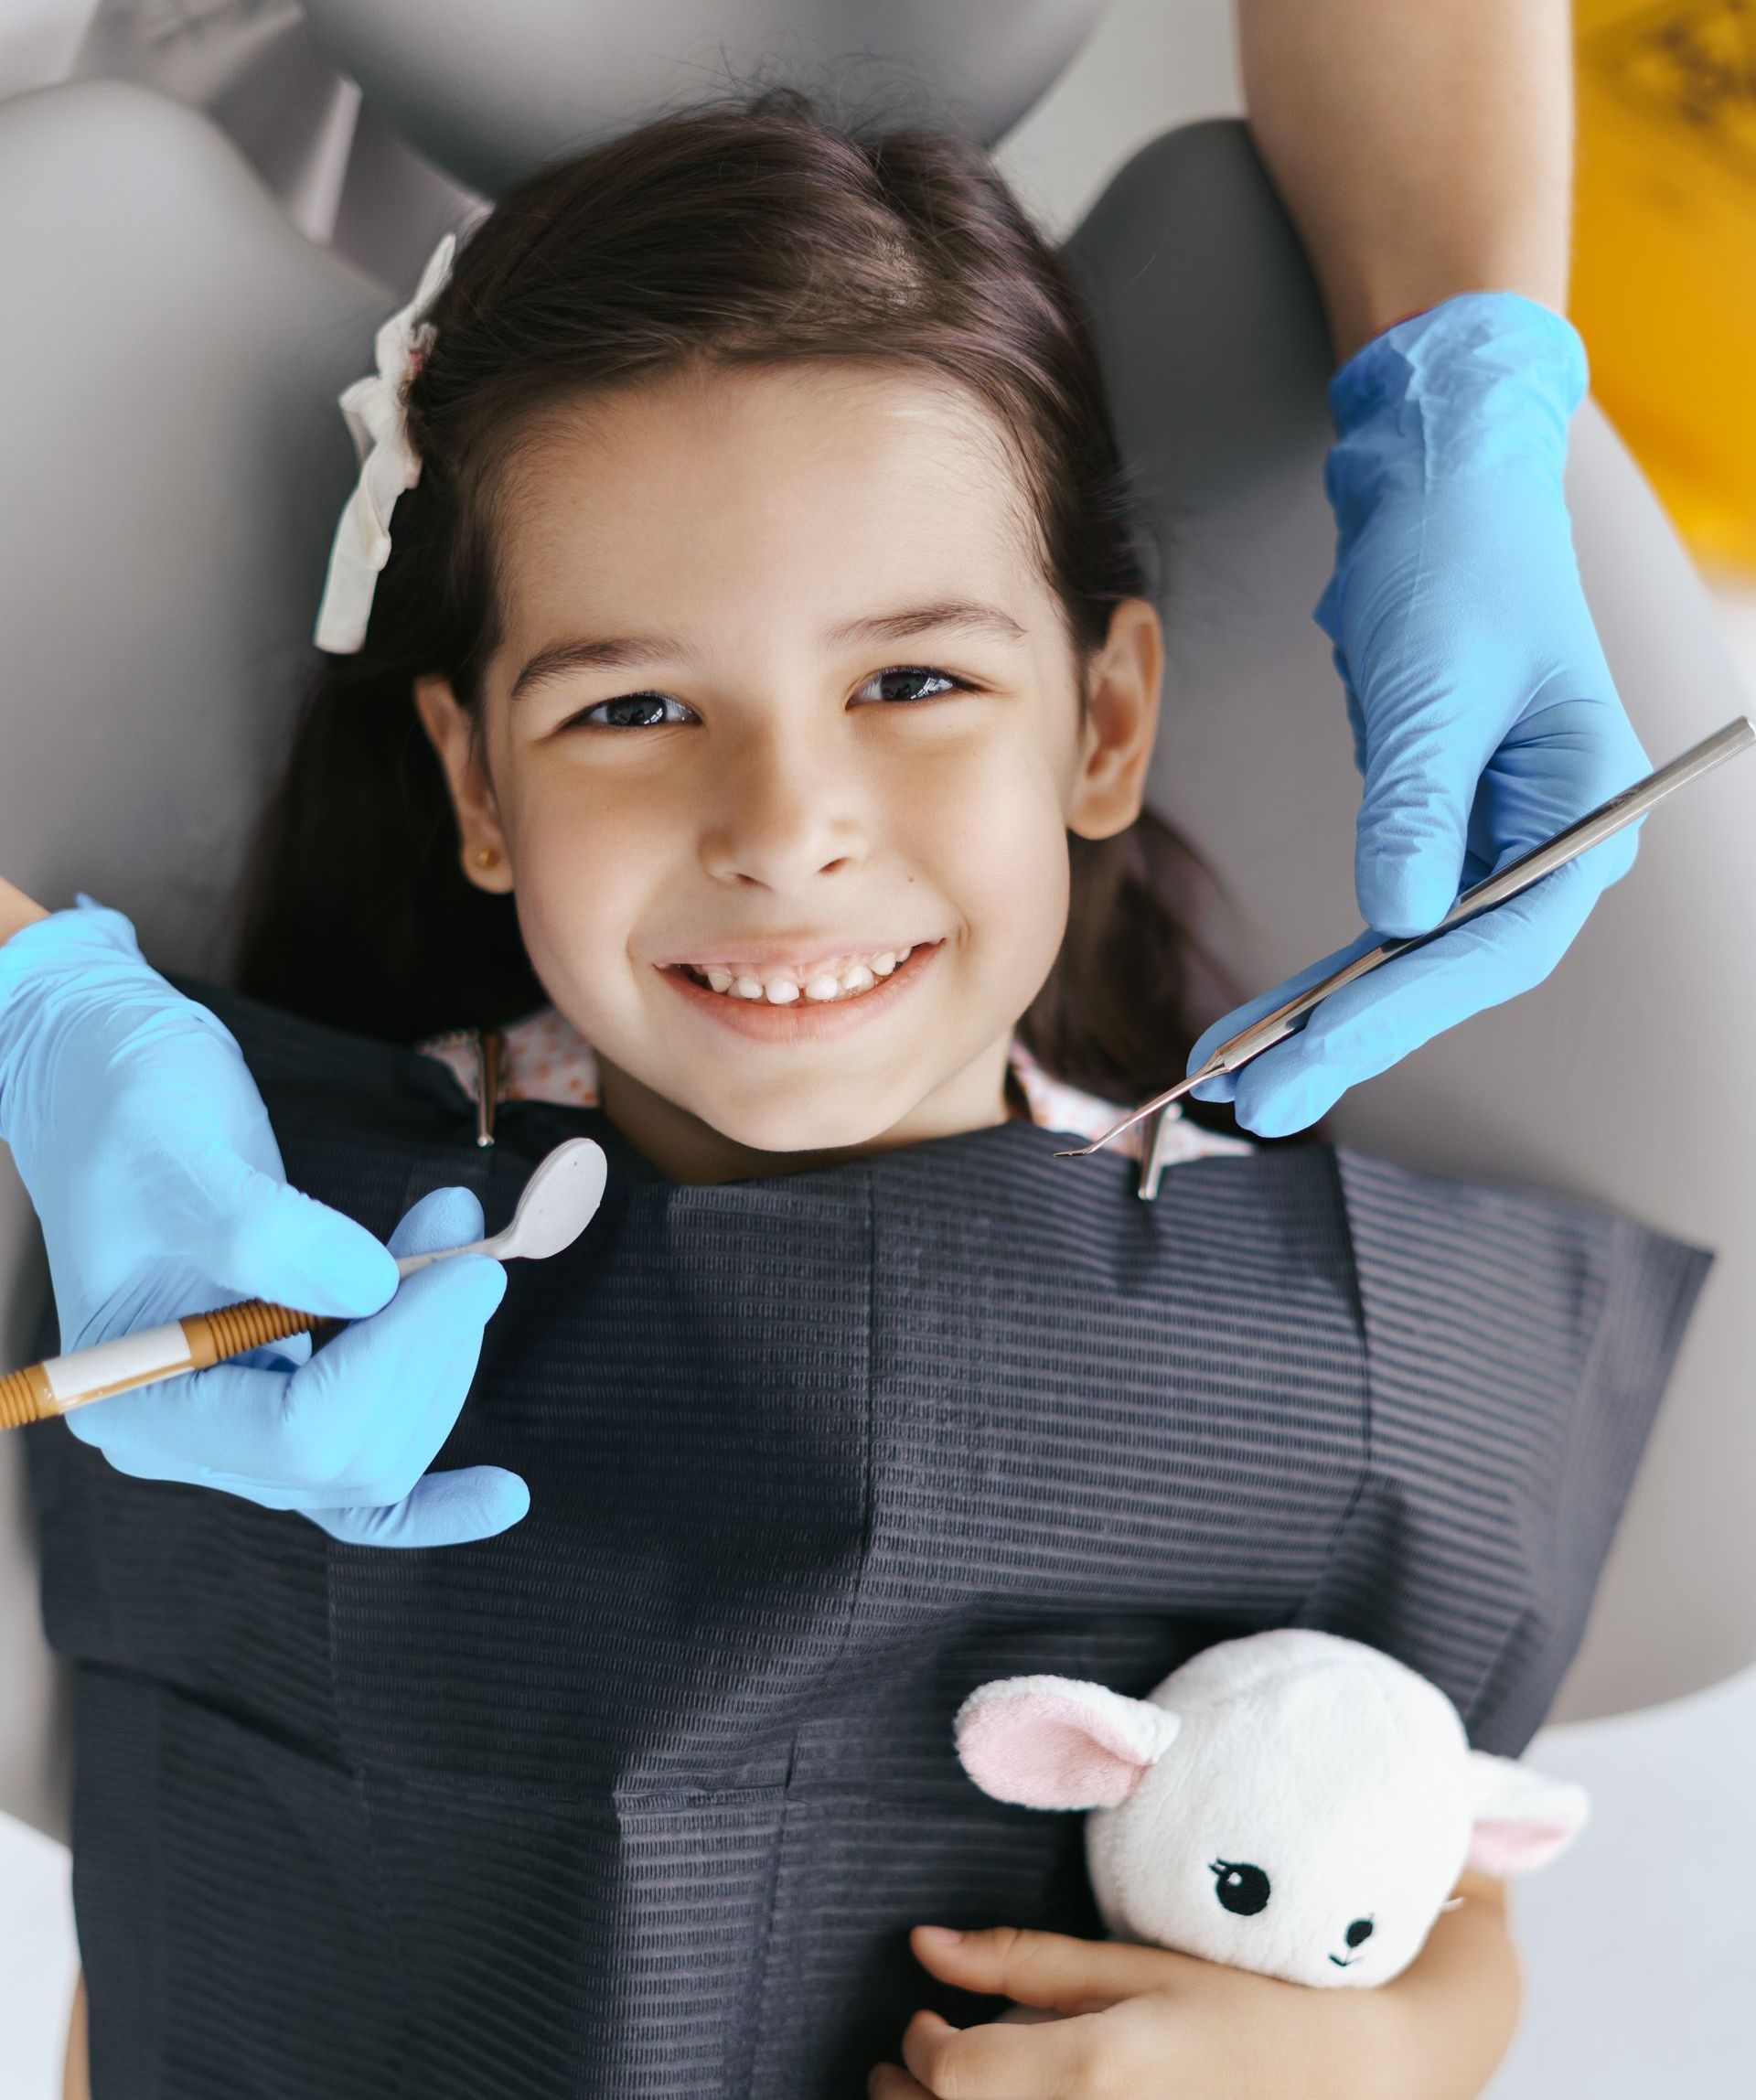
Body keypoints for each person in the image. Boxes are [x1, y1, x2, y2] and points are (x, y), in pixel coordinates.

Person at [3, 92, 1708, 2100]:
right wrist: (46, 1009)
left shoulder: (1289, 1359)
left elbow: (1435, 1881)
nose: (787, 828)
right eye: (633, 705)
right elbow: (189, 1888)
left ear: (1105, 719)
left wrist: (1377, 2049)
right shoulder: (232, 1239)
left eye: (913, 684)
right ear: (479, 786)